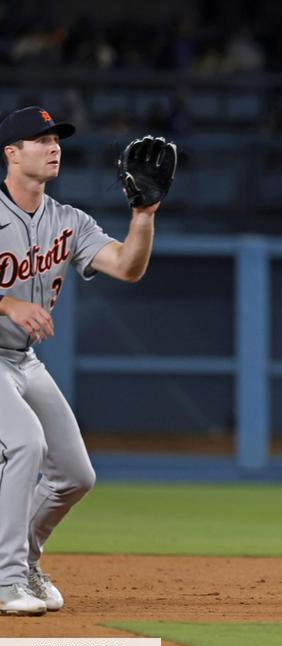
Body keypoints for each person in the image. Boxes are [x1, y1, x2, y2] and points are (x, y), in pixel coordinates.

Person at [0, 107, 172, 615]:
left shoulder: (68, 220)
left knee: (75, 475)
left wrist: (144, 216)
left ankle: (24, 563)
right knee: (25, 444)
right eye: (38, 139)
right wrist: (8, 303)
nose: (53, 146)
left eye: (56, 139)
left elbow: (127, 266)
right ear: (10, 153)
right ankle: (5, 579)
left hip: (22, 360)